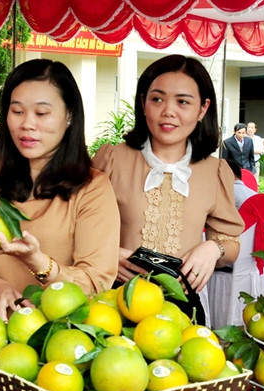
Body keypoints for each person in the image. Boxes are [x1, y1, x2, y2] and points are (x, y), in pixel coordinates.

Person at [0, 59, 120, 319]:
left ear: (69, 115)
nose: (27, 124)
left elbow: (95, 284)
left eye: (41, 113)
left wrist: (37, 260)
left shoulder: (92, 188)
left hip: (64, 342)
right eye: (17, 112)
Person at [93, 54, 244, 295]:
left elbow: (231, 242)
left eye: (182, 102)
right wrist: (107, 252)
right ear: (143, 103)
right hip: (113, 299)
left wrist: (214, 249)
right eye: (157, 99)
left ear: (203, 108)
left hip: (183, 306)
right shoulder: (111, 160)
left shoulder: (215, 172)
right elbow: (76, 227)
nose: (168, 111)